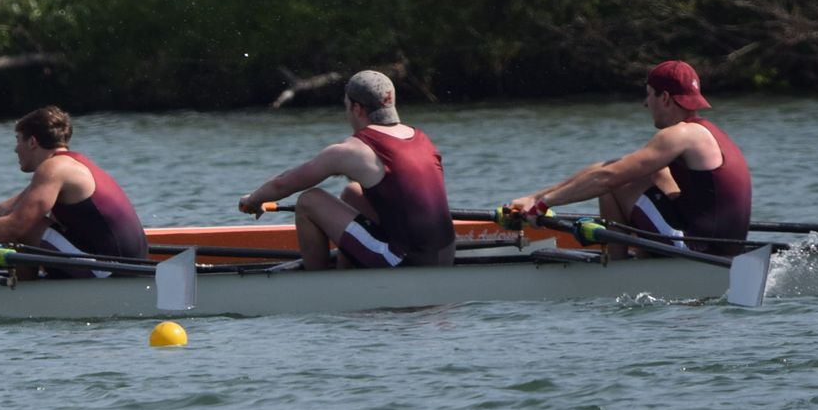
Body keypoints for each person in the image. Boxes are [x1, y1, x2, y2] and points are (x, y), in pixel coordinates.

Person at [506, 60, 752, 255]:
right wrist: (536, 197)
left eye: (649, 95)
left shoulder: (679, 135)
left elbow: (607, 178)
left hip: (702, 251)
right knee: (649, 172)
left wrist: (542, 206)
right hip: (726, 246)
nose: (646, 104)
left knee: (613, 186)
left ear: (664, 98)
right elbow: (609, 167)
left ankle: (618, 269)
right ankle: (642, 255)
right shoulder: (708, 132)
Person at [237, 70, 454, 270]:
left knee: (308, 201)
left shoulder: (352, 151)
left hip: (405, 260)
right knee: (353, 193)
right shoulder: (421, 138)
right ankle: (348, 272)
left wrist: (253, 200)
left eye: (346, 107)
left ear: (357, 109)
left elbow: (283, 183)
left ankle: (319, 289)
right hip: (445, 255)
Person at [0, 106, 147, 275]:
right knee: (18, 218)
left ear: (32, 142)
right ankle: (28, 286)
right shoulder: (70, 163)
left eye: (18, 140)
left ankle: (22, 295)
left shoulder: (54, 168)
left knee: (26, 224)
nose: (15, 149)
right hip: (122, 264)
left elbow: (15, 225)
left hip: (113, 271)